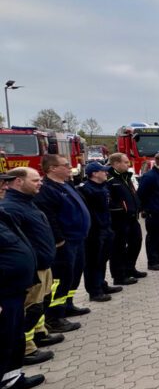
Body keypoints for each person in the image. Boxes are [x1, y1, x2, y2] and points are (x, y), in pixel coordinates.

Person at [0, 168, 62, 365]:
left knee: (40, 303)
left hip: (43, 264)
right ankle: (27, 348)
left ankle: (38, 333)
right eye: (35, 180)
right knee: (30, 308)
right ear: (19, 181)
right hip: (33, 269)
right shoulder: (12, 207)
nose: (40, 183)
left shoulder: (26, 201)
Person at [0, 172, 43, 389]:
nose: (4, 187)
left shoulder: (3, 212)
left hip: (14, 289)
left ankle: (12, 378)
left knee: (12, 339)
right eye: (1, 184)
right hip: (3, 293)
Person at [35, 154, 92, 331]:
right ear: (52, 168)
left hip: (77, 239)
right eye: (66, 165)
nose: (70, 168)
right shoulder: (47, 189)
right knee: (60, 279)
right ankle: (54, 317)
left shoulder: (65, 184)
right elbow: (49, 217)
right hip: (64, 242)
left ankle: (67, 304)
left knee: (74, 275)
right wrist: (59, 240)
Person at [78, 162, 120, 302]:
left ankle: (102, 285)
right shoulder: (87, 190)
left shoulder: (103, 187)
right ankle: (94, 291)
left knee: (102, 260)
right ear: (94, 174)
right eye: (103, 171)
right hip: (95, 232)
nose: (106, 173)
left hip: (106, 228)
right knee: (93, 262)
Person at [106, 153, 145, 285]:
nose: (129, 165)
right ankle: (119, 276)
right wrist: (121, 209)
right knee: (118, 248)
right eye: (126, 162)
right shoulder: (110, 179)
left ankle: (130, 268)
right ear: (116, 164)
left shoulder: (126, 177)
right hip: (119, 219)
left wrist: (138, 206)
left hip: (132, 217)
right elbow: (109, 200)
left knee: (136, 242)